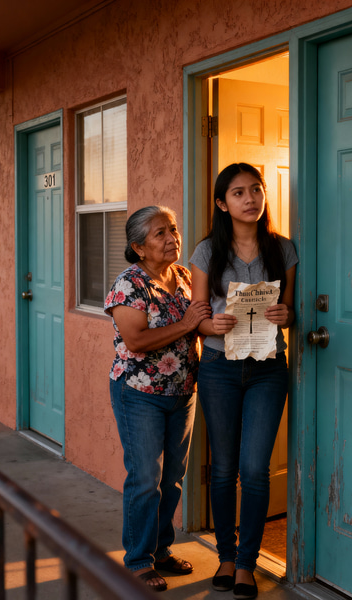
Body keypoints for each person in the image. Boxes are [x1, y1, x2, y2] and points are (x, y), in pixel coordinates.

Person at [189, 163, 297, 599]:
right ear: (222, 203)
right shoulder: (205, 253)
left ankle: (247, 564)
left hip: (268, 368)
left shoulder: (283, 250)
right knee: (223, 468)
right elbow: (197, 318)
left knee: (254, 469)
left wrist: (287, 315)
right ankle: (226, 556)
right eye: (238, 193)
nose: (250, 199)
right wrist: (209, 327)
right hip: (219, 368)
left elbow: (290, 312)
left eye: (256, 190)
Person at [104, 205, 211, 592]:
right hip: (139, 393)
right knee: (146, 478)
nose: (172, 239)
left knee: (173, 477)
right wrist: (185, 324)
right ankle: (137, 561)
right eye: (160, 234)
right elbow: (135, 341)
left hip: (182, 391)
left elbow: (204, 319)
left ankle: (162, 549)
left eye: (173, 229)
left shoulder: (183, 276)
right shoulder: (128, 284)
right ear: (139, 247)